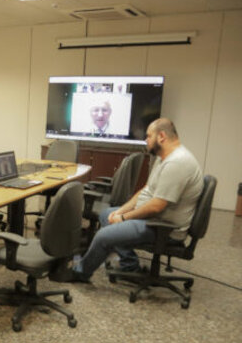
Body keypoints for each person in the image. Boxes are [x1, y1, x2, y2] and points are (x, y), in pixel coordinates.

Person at [72, 118, 203, 282]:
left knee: (103, 236)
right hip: (154, 219)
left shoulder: (177, 163)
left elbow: (157, 206)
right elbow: (146, 190)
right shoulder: (164, 157)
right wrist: (120, 211)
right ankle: (130, 265)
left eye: (149, 136)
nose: (145, 140)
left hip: (164, 227)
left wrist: (124, 218)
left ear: (161, 136)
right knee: (107, 214)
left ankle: (80, 273)